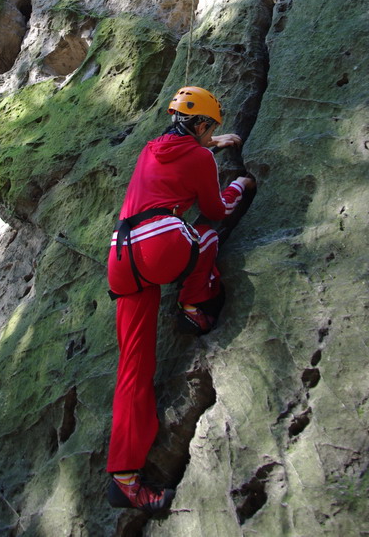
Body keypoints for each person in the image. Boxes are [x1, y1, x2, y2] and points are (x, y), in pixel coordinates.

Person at [106, 86, 256, 513]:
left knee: (133, 368)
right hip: (160, 243)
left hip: (121, 253)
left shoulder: (151, 150)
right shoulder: (200, 158)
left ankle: (125, 479)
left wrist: (210, 145)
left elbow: (183, 153)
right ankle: (193, 306)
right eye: (211, 128)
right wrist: (241, 186)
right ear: (204, 124)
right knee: (206, 233)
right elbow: (217, 207)